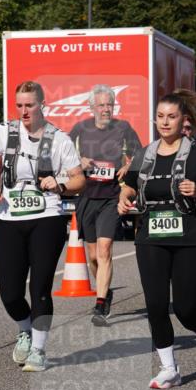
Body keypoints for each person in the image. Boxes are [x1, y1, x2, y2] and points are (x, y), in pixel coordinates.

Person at [118, 91, 196, 389]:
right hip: (151, 237)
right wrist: (123, 200)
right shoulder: (145, 154)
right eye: (160, 116)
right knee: (155, 305)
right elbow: (128, 188)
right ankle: (169, 368)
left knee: (184, 308)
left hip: (191, 238)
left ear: (184, 121)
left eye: (171, 116)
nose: (164, 122)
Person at [0, 81, 86, 372]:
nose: (24, 111)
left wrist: (61, 183)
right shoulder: (4, 132)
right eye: (19, 105)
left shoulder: (59, 139)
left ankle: (39, 350)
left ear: (42, 104)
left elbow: (79, 180)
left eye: (29, 105)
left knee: (40, 287)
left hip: (47, 218)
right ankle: (25, 329)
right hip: (10, 217)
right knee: (10, 293)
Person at [70, 84, 143, 326]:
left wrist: (128, 166)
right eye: (100, 105)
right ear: (91, 107)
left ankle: (100, 304)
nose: (105, 109)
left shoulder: (123, 128)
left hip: (112, 196)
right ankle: (106, 290)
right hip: (87, 196)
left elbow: (140, 154)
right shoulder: (81, 129)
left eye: (109, 104)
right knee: (92, 257)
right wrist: (79, 160)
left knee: (104, 250)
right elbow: (64, 154)